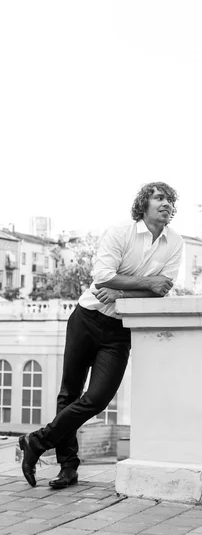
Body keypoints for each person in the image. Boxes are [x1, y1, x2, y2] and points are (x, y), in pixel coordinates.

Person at [19, 181, 184, 489]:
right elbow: (102, 278)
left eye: (170, 200)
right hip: (86, 319)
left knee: (97, 398)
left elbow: (162, 290)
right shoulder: (121, 232)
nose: (166, 204)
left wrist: (121, 290)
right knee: (69, 394)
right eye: (158, 198)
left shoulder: (175, 242)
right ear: (143, 204)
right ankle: (68, 468)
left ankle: (36, 441)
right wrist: (145, 284)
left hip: (120, 330)